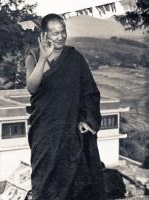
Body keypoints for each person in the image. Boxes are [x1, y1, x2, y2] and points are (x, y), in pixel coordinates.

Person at [25, 13, 106, 200]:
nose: (60, 37)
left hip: (70, 129)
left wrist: (86, 119)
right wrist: (43, 58)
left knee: (74, 179)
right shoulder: (34, 55)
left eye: (63, 32)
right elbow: (32, 88)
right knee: (44, 178)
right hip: (45, 130)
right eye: (55, 34)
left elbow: (89, 93)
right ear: (44, 35)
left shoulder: (74, 57)